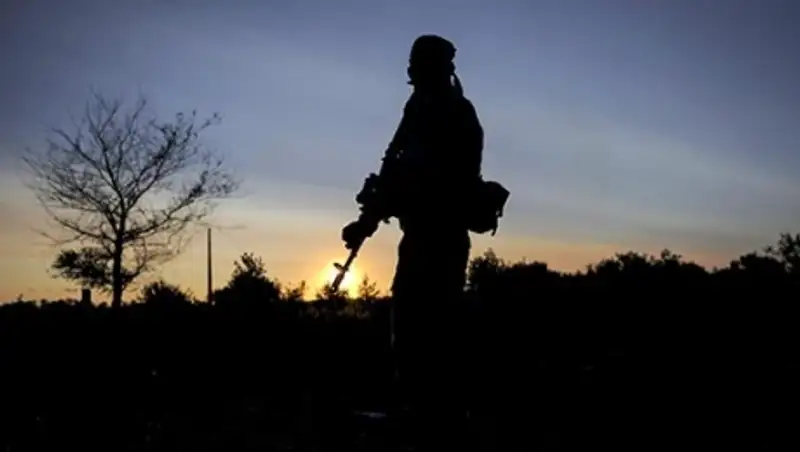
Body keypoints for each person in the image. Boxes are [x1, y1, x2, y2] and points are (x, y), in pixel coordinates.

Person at [341, 34, 484, 450]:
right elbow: (395, 172)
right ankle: (423, 416)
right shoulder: (417, 110)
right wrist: (367, 219)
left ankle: (443, 423)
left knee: (435, 334)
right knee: (409, 330)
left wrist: (397, 195)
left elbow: (443, 181)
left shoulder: (455, 113)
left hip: (442, 237)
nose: (411, 73)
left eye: (418, 66)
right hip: (418, 235)